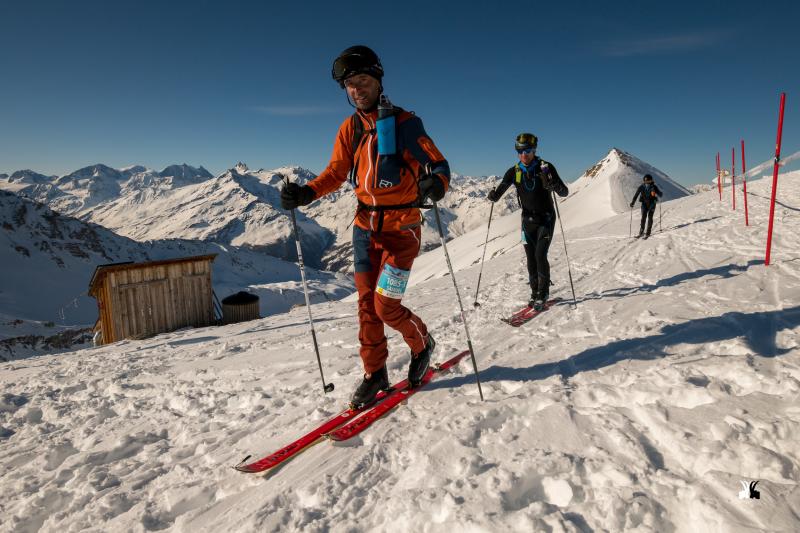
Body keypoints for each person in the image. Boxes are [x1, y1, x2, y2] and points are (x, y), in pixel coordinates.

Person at [280, 45, 451, 407]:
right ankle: (375, 373)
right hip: (364, 230)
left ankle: (423, 343)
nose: (356, 89)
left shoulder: (405, 124)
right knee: (365, 306)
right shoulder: (350, 128)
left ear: (377, 81)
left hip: (401, 232)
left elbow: (437, 163)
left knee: (386, 306)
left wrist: (436, 183)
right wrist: (305, 193)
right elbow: (335, 173)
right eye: (349, 84)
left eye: (362, 80)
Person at [487, 133, 568, 311]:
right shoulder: (514, 171)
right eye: (520, 151)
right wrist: (494, 196)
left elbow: (564, 192)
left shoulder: (545, 168)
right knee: (530, 259)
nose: (524, 154)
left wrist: (553, 184)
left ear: (535, 150)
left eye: (528, 150)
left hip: (546, 219)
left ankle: (543, 293)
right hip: (527, 221)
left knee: (540, 255)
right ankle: (534, 293)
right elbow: (500, 191)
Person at [629, 174, 663, 239]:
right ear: (644, 181)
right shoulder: (641, 187)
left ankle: (648, 232)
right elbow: (636, 195)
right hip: (644, 204)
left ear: (651, 181)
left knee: (650, 217)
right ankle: (641, 232)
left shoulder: (653, 187)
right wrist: (632, 202)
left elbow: (659, 193)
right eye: (646, 181)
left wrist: (659, 193)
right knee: (643, 217)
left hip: (652, 204)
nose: (647, 183)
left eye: (648, 181)